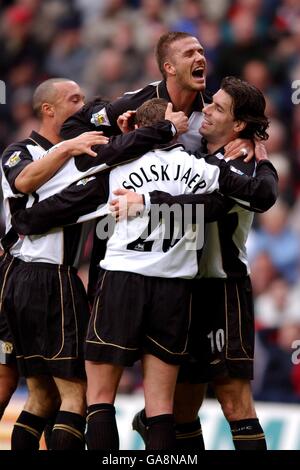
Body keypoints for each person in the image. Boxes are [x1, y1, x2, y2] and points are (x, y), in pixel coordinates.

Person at [12, 95, 277, 451]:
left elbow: (56, 209)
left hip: (123, 283)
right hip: (175, 291)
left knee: (101, 401)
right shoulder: (206, 169)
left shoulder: (116, 172)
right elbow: (232, 201)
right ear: (176, 131)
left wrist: (24, 221)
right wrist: (262, 160)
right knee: (163, 410)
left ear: (135, 128)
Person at [2, 84, 188, 449]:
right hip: (46, 279)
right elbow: (23, 181)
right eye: (74, 100)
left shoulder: (90, 148)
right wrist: (71, 146)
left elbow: (120, 151)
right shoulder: (22, 151)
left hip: (25, 278)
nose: (83, 106)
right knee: (74, 394)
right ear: (48, 109)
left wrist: (127, 131)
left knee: (40, 394)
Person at [113, 77, 277, 450]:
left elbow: (218, 207)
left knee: (234, 400)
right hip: (180, 288)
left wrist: (148, 202)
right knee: (182, 408)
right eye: (211, 102)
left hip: (223, 290)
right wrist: (132, 136)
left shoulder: (245, 163)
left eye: (218, 107)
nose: (206, 109)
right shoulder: (196, 151)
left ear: (238, 125)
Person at [59, 31, 256, 302]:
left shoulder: (211, 112)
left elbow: (241, 126)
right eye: (189, 53)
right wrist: (121, 143)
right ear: (169, 68)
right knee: (105, 305)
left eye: (200, 52)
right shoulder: (135, 104)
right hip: (124, 218)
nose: (200, 57)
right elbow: (71, 128)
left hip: (176, 232)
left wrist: (248, 141)